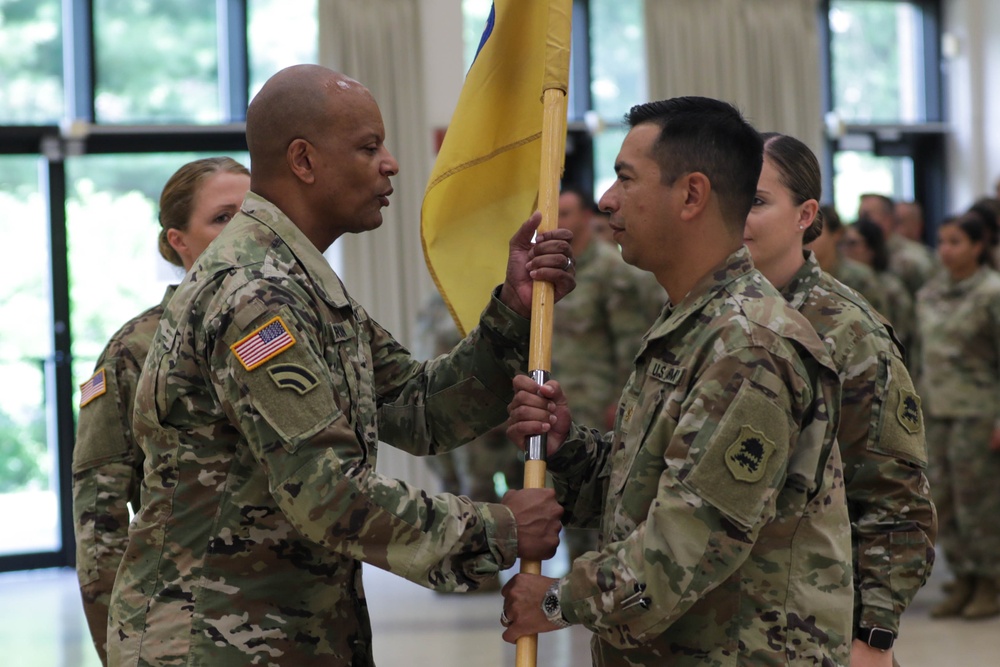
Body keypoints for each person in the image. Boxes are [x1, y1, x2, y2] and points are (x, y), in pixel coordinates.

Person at [107, 65, 574, 666]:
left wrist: (510, 310)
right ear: (303, 160)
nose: (391, 164)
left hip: (281, 632)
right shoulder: (256, 293)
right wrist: (496, 529)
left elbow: (418, 408)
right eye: (367, 147)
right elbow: (323, 489)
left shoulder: (298, 281)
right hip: (216, 641)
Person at [501, 97, 852, 666]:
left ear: (691, 195)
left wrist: (561, 599)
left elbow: (691, 540)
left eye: (625, 178)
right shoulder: (691, 321)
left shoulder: (749, 345)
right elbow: (650, 487)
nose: (606, 200)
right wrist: (568, 452)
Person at [744, 133, 936, 666]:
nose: (737, 217)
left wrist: (873, 637)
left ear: (805, 214)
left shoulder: (845, 331)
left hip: (819, 635)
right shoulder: (714, 317)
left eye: (757, 201)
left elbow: (896, 500)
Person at [71, 156, 250, 665]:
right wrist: (117, 648)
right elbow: (100, 520)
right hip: (187, 632)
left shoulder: (291, 334)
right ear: (179, 241)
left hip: (306, 628)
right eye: (222, 218)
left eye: (253, 215)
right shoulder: (134, 349)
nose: (243, 232)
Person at [554, 187, 666, 562]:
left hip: (597, 400)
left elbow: (630, 342)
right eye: (554, 215)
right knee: (563, 495)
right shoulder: (553, 271)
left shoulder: (610, 272)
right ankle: (573, 578)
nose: (559, 222)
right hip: (562, 401)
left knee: (599, 501)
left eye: (566, 213)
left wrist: (619, 399)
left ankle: (590, 580)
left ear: (587, 217)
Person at [916, 213, 1000, 620]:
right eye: (942, 241)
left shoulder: (991, 293)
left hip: (978, 413)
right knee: (943, 501)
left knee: (978, 503)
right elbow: (921, 356)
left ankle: (990, 581)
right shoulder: (929, 293)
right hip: (937, 410)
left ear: (978, 246)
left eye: (955, 242)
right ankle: (963, 576)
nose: (945, 250)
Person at [413, 290, 523, 504]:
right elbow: (423, 361)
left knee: (486, 497)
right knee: (455, 498)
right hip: (442, 418)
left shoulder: (490, 298)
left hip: (482, 419)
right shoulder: (433, 306)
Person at [843, 219, 918, 364]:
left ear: (871, 248)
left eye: (853, 244)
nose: (846, 250)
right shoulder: (843, 284)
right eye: (843, 243)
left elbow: (903, 336)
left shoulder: (890, 288)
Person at [808, 204, 889, 316]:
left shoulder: (860, 278)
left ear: (837, 234)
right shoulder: (801, 275)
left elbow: (878, 323)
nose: (807, 238)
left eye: (815, 231)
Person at [858, 193, 934, 297]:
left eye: (867, 216)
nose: (861, 222)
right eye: (859, 216)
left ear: (888, 219)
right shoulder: (859, 253)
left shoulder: (913, 258)